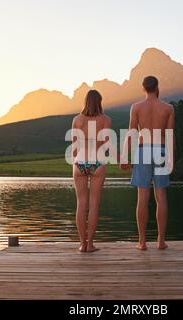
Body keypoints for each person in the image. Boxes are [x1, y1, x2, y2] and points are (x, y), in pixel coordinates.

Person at [121, 76, 174, 250]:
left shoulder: (136, 107)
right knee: (161, 198)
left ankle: (142, 242)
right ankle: (161, 241)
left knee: (142, 198)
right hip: (160, 150)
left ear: (143, 88)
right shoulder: (168, 108)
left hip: (143, 151)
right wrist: (171, 158)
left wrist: (124, 156)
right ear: (157, 87)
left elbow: (131, 134)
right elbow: (170, 136)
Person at [72, 90, 111, 253]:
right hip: (97, 162)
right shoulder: (106, 120)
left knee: (81, 203)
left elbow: (74, 147)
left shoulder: (77, 120)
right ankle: (90, 244)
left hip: (79, 162)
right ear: (99, 102)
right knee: (94, 203)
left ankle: (82, 244)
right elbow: (105, 144)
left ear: (85, 101)